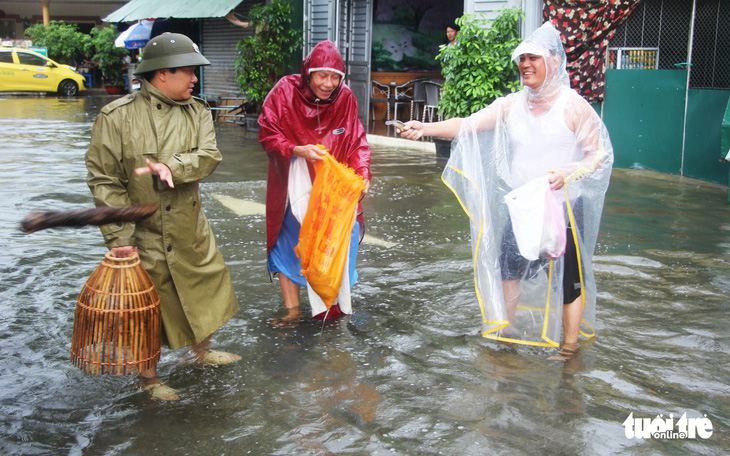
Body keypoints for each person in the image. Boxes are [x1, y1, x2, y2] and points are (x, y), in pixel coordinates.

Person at [400, 22, 613, 359]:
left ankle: (569, 350)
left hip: (564, 208)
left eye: (533, 58)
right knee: (508, 269)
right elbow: (467, 125)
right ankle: (506, 330)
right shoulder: (511, 105)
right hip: (524, 207)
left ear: (554, 62)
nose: (525, 65)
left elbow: (598, 157)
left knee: (569, 281)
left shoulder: (573, 107)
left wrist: (568, 172)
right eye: (521, 59)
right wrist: (426, 127)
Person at [86, 33, 240, 400]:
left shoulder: (198, 111)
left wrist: (171, 165)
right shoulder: (117, 117)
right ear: (160, 74)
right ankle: (149, 377)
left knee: (204, 288)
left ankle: (200, 351)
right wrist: (120, 240)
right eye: (188, 71)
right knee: (147, 305)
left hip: (189, 225)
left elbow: (209, 156)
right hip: (143, 231)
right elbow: (104, 180)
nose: (194, 79)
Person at [258, 40, 371, 325]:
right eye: (323, 75)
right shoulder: (285, 90)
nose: (329, 83)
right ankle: (293, 311)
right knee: (288, 245)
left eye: (335, 77)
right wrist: (297, 150)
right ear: (308, 72)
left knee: (339, 246)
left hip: (333, 188)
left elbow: (357, 142)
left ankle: (333, 308)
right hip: (293, 184)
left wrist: (363, 175)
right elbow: (267, 132)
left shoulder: (345, 97)